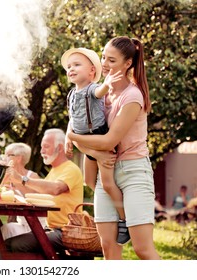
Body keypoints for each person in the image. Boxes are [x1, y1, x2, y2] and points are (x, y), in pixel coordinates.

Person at [68, 36, 160, 260]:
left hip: (133, 173)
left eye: (112, 60)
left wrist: (71, 136)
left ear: (127, 63)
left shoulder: (132, 96)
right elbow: (83, 128)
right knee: (108, 246)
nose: (105, 64)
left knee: (142, 249)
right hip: (105, 171)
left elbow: (109, 140)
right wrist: (92, 150)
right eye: (103, 58)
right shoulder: (99, 93)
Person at [61, 47, 128, 244]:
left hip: (97, 137)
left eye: (76, 65)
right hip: (83, 140)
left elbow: (100, 92)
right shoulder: (72, 94)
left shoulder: (92, 88)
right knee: (89, 180)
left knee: (107, 183)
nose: (71, 69)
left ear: (91, 71)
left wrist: (107, 84)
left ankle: (125, 219)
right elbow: (72, 120)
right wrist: (68, 138)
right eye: (69, 66)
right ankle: (113, 208)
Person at [3, 128, 84, 254]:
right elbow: (39, 196)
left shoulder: (71, 169)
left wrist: (22, 179)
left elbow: (56, 188)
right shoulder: (54, 171)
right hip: (50, 228)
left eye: (46, 146)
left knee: (15, 244)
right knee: (5, 241)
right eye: (41, 147)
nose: (41, 151)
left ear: (60, 147)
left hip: (66, 231)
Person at [0, 142, 45, 237]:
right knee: (3, 229)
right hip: (22, 224)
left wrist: (16, 181)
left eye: (8, 155)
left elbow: (32, 194)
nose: (4, 158)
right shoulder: (7, 176)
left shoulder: (32, 176)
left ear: (19, 158)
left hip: (35, 225)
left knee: (6, 230)